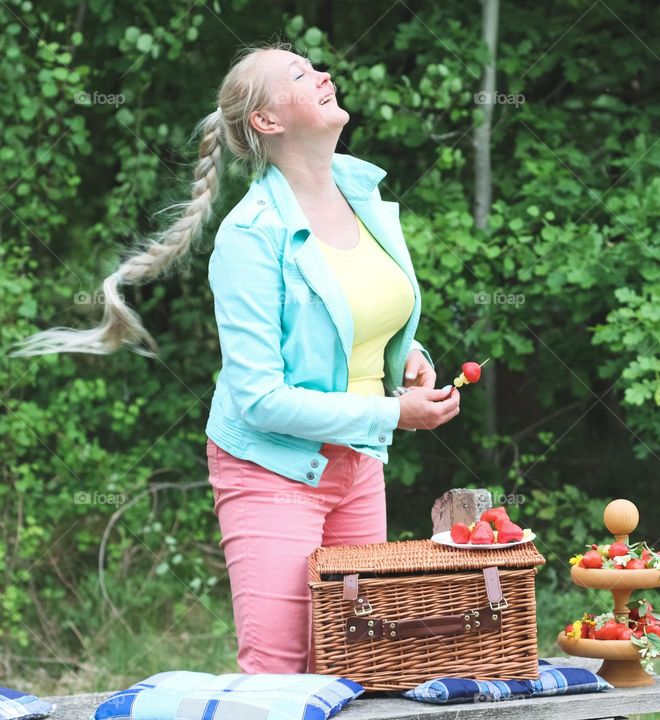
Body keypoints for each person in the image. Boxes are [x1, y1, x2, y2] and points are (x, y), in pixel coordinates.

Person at [9, 43, 461, 673]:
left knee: (359, 663)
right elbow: (260, 397)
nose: (323, 74)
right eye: (300, 75)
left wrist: (407, 355)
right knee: (280, 675)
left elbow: (351, 316)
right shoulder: (251, 235)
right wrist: (392, 415)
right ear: (266, 122)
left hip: (359, 462)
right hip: (272, 471)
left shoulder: (364, 194)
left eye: (314, 65)